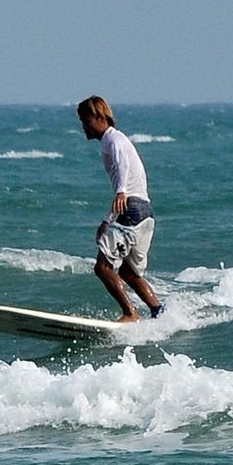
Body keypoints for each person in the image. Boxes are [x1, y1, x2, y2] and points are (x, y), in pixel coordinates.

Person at [77, 95, 164, 322]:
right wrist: (108, 220)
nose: (83, 127)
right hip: (145, 212)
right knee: (128, 272)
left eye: (85, 121)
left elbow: (122, 167)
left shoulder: (113, 140)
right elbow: (124, 187)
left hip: (132, 210)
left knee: (103, 267)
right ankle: (158, 311)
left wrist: (122, 190)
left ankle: (130, 313)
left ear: (98, 117)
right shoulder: (117, 140)